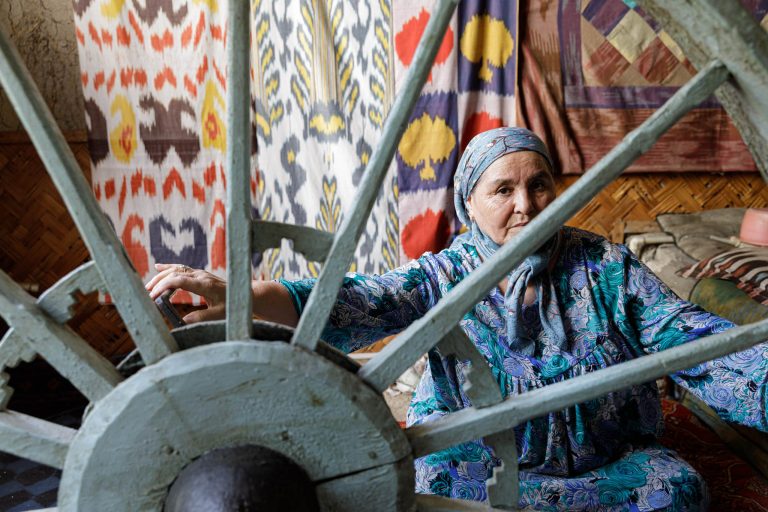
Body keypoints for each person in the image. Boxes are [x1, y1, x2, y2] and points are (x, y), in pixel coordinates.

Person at [146, 127, 768, 511]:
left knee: (677, 492)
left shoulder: (605, 266)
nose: (527, 205)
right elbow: (354, 300)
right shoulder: (447, 274)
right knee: (417, 486)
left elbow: (696, 339)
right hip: (478, 468)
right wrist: (236, 292)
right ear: (470, 205)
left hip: (606, 464)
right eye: (503, 190)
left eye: (540, 185)